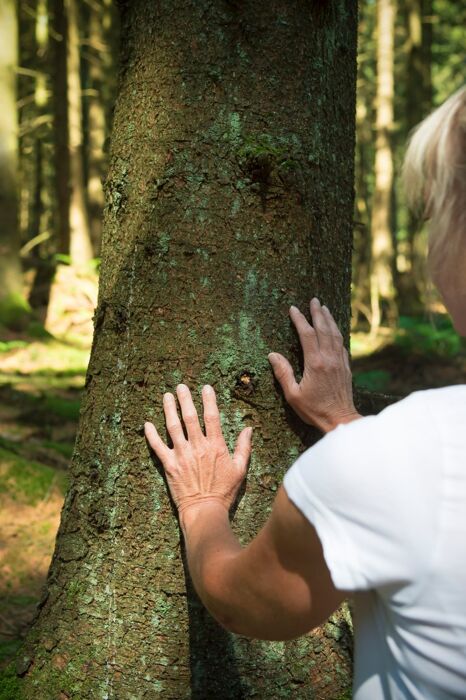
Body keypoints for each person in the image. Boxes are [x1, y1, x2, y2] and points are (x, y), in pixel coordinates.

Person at [144, 86, 466, 699]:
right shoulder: (402, 455)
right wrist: (347, 426)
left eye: (435, 214)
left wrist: (204, 507)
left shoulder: (405, 456)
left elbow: (252, 605)